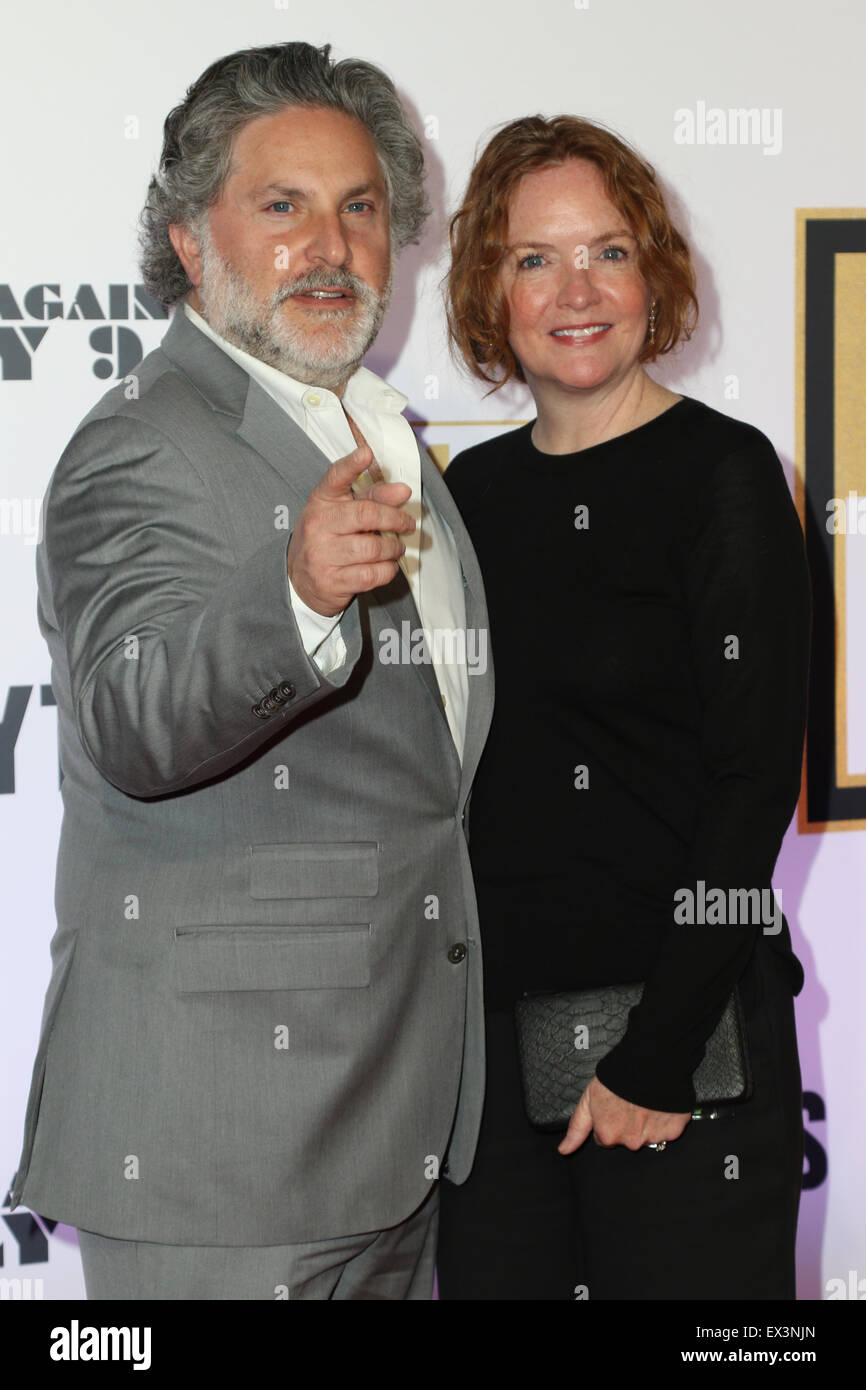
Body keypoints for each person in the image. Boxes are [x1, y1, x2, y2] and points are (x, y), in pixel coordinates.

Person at [10, 41, 494, 1301]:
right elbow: (132, 713)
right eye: (280, 205)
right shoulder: (139, 442)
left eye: (360, 208)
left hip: (391, 1132)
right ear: (186, 239)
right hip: (221, 1153)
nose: (328, 246)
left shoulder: (379, 435)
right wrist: (296, 590)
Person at [436, 115, 810, 1300]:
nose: (574, 291)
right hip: (493, 1068)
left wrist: (651, 1060)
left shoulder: (725, 475)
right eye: (532, 259)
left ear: (653, 269)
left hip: (679, 1052)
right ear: (488, 294)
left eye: (605, 250)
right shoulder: (473, 493)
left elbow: (753, 787)